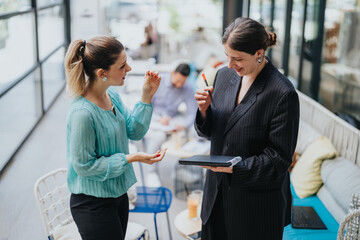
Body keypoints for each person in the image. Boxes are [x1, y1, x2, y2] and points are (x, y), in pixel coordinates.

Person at [194, 17, 300, 240]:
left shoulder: (282, 93)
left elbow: (278, 159)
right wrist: (204, 111)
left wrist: (233, 168)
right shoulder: (224, 76)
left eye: (238, 59)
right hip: (216, 198)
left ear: (259, 53)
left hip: (255, 209)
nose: (231, 65)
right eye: (227, 57)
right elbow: (214, 130)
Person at [64, 35, 166, 240]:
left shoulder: (113, 97)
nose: (128, 69)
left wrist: (146, 96)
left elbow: (135, 131)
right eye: (122, 66)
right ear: (102, 73)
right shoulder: (82, 113)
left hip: (118, 194)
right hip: (93, 204)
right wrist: (131, 158)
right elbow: (84, 166)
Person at [143, 63, 197, 186]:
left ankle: (182, 170)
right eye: (177, 81)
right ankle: (151, 172)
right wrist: (159, 118)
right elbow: (146, 104)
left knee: (189, 131)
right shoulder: (159, 81)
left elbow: (192, 113)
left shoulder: (186, 88)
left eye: (182, 83)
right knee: (159, 137)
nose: (179, 85)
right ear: (172, 73)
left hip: (172, 119)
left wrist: (184, 125)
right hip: (153, 117)